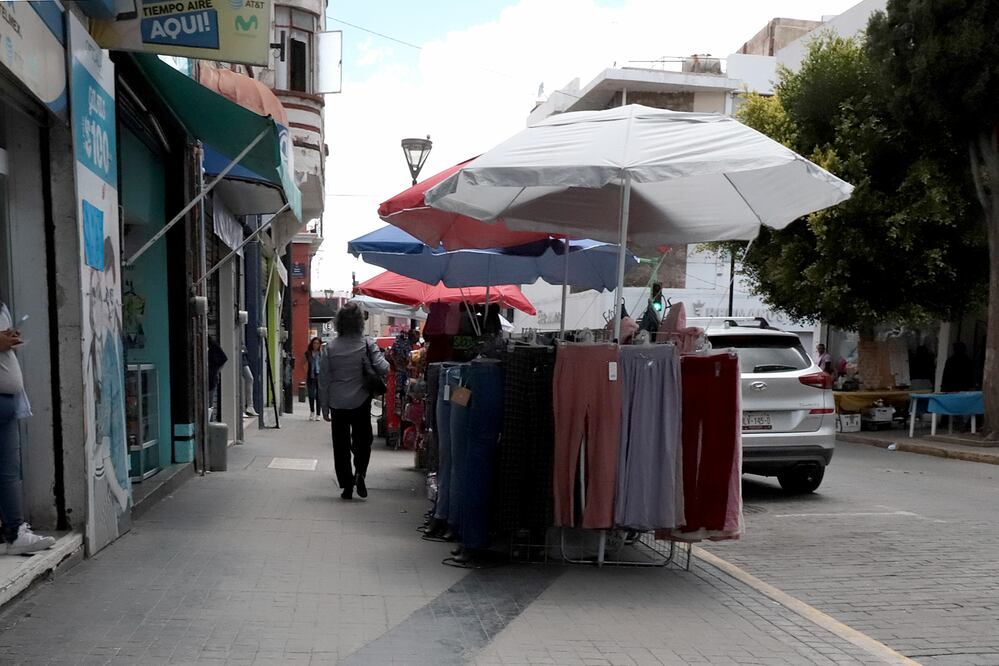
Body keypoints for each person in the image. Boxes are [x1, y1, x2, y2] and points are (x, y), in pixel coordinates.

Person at [0, 301, 55, 555]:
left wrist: (9, 338)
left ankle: (15, 533)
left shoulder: (1, 307)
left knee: (9, 471)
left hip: (8, 403)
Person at [319, 302, 388, 500]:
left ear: (339, 322)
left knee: (340, 445)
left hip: (337, 402)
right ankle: (360, 473)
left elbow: (324, 379)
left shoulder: (330, 347)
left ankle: (347, 485)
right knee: (363, 441)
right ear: (360, 322)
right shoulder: (367, 344)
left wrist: (324, 407)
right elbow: (383, 368)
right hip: (361, 400)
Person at [304, 337, 323, 421]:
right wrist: (305, 372)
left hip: (320, 376)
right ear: (312, 344)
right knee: (311, 395)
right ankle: (312, 411)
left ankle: (318, 414)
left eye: (317, 343)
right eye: (314, 343)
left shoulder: (322, 353)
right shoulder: (308, 353)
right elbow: (303, 363)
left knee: (319, 396)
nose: (316, 345)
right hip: (311, 376)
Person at [241, 346, 258, 417]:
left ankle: (250, 406)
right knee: (240, 382)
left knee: (249, 378)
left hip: (243, 359)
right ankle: (242, 409)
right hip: (238, 357)